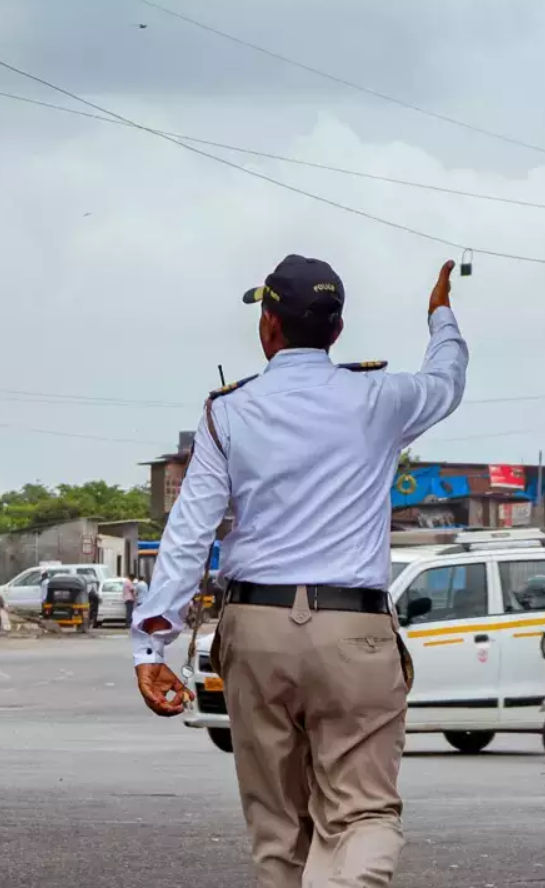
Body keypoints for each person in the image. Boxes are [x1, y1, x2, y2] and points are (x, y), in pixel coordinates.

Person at [133, 255, 468, 887]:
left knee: (277, 830)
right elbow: (447, 378)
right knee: (362, 811)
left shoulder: (227, 413)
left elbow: (189, 532)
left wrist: (152, 641)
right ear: (338, 330)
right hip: (354, 631)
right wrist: (441, 315)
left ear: (268, 325)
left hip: (256, 631)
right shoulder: (382, 398)